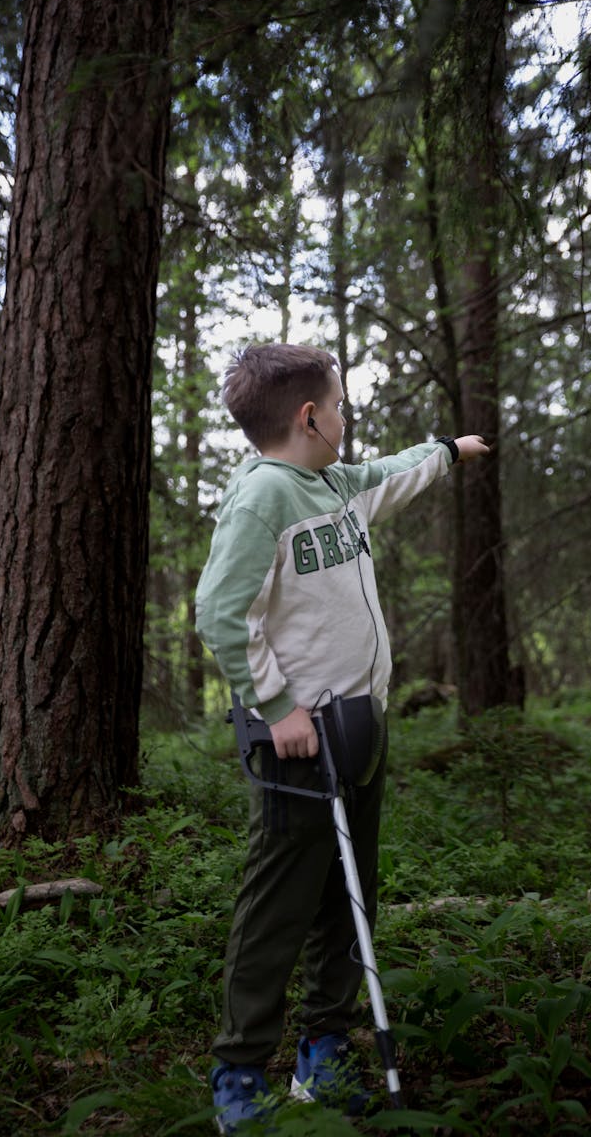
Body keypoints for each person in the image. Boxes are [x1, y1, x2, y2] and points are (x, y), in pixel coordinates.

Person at [195, 343, 489, 1133]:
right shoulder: (263, 498)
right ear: (308, 416)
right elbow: (221, 611)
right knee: (280, 902)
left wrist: (447, 453)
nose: (348, 417)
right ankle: (239, 1073)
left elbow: (389, 473)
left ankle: (322, 1050)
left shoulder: (332, 484)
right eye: (341, 404)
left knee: (345, 892)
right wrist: (280, 707)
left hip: (360, 724)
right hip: (298, 740)